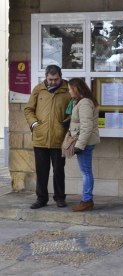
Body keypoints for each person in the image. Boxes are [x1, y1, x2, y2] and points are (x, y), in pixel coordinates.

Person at [24, 65, 72, 209]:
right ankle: (41, 198)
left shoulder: (68, 90)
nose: (52, 82)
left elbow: (75, 109)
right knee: (41, 170)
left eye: (56, 79)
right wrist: (34, 124)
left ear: (61, 76)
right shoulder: (38, 90)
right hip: (41, 138)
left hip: (59, 137)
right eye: (50, 79)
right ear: (46, 76)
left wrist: (68, 120)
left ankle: (59, 198)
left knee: (58, 170)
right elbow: (28, 110)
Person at [66, 78, 100, 212]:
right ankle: (86, 199)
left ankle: (87, 200)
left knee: (86, 172)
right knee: (86, 172)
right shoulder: (81, 101)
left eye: (70, 89)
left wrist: (80, 145)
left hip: (84, 142)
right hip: (84, 141)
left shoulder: (84, 103)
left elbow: (87, 126)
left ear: (76, 89)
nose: (68, 91)